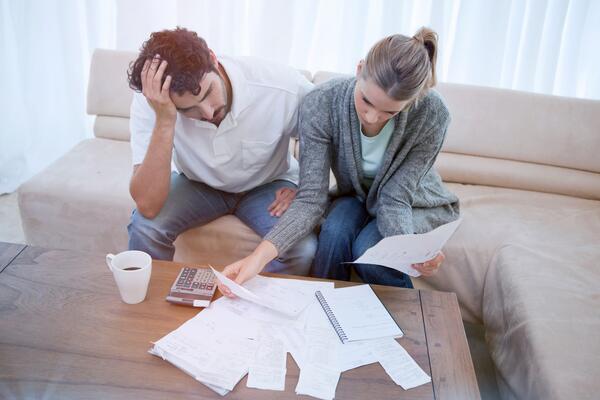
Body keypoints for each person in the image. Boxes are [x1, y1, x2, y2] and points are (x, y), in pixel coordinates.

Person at [218, 27, 460, 294]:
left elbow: (395, 196)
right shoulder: (321, 102)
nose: (371, 117)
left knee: (370, 253)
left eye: (388, 112)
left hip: (410, 203)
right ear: (359, 69)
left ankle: (410, 325)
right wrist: (256, 259)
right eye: (366, 100)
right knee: (333, 234)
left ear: (412, 100)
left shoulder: (433, 113)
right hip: (354, 196)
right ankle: (322, 314)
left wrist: (410, 251)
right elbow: (311, 199)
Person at [126, 27, 317, 275]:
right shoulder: (153, 101)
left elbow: (330, 135)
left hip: (268, 184)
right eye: (188, 110)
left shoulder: (282, 86)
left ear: (214, 59)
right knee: (145, 227)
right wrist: (165, 119)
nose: (207, 112)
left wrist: (306, 187)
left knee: (301, 249)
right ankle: (152, 311)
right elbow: (148, 205)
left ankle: (259, 310)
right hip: (197, 185)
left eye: (207, 92)